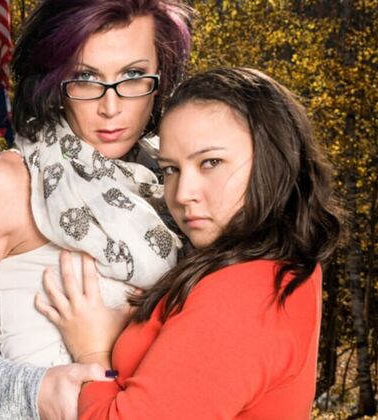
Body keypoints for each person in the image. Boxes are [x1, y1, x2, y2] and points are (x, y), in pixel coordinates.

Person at [0, 0, 194, 419]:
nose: (111, 107)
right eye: (85, 78)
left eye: (132, 76)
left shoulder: (177, 180)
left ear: (162, 76)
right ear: (54, 80)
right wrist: (36, 392)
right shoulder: (6, 183)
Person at [35, 67, 344, 419]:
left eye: (211, 162)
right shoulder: (274, 263)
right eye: (171, 169)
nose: (182, 194)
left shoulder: (246, 291)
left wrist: (93, 353)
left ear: (272, 161)